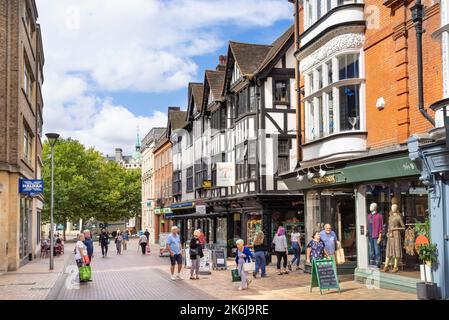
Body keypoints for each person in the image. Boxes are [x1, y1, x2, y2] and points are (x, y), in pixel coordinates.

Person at [382, 204, 405, 273]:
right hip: (390, 235)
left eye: (394, 207)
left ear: (396, 208)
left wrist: (395, 228)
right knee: (389, 250)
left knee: (396, 250)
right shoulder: (390, 217)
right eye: (392, 207)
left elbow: (403, 227)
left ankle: (395, 267)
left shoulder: (399, 217)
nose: (392, 208)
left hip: (396, 235)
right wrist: (388, 232)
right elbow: (389, 226)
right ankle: (386, 266)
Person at [367, 203, 383, 267]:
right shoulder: (369, 216)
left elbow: (380, 227)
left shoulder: (379, 216)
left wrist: (380, 236)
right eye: (370, 205)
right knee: (371, 250)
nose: (370, 207)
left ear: (375, 207)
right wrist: (367, 231)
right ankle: (371, 262)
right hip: (370, 235)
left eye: (372, 206)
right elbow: (368, 225)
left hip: (376, 235)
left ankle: (378, 263)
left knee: (377, 250)